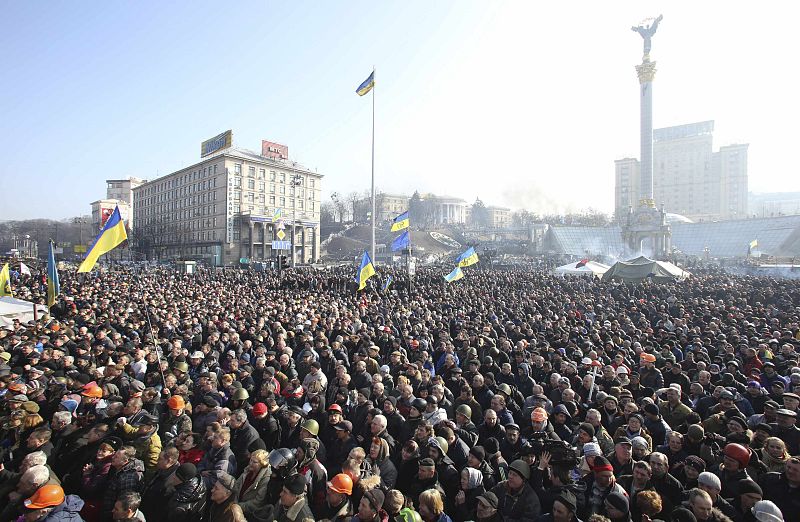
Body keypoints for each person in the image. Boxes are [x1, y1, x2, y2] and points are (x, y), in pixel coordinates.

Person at [232, 449, 271, 522]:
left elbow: (258, 502)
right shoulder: (247, 471)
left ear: (262, 464)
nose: (250, 463)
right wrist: (234, 503)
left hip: (249, 514)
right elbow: (236, 486)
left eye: (254, 462)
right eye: (251, 460)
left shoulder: (266, 479)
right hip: (235, 507)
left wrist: (239, 506)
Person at [20, 484, 84, 522]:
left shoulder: (55, 520)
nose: (24, 515)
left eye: (27, 513)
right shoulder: (59, 502)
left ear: (43, 512)